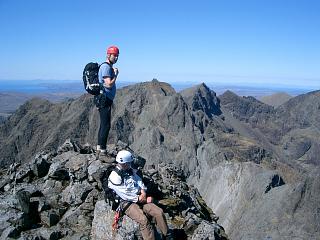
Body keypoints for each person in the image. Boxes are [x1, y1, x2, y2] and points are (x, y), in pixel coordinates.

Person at [108, 150, 172, 240]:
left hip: (140, 197)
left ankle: (167, 236)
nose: (131, 164)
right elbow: (124, 194)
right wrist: (139, 199)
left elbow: (139, 181)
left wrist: (143, 192)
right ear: (125, 163)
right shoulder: (115, 176)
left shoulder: (130, 170)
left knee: (159, 212)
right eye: (129, 163)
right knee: (143, 220)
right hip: (126, 202)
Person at [96, 45, 119, 160]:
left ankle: (99, 149)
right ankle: (103, 153)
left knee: (103, 124)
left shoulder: (107, 66)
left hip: (104, 99)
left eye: (117, 56)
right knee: (106, 125)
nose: (116, 58)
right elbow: (109, 84)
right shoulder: (106, 67)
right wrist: (116, 75)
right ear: (108, 55)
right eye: (114, 55)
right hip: (105, 99)